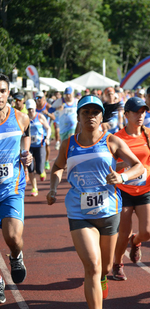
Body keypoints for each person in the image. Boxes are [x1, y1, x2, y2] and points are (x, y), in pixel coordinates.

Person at [46, 95, 143, 307]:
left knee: (105, 267)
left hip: (108, 211)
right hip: (80, 212)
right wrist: (53, 188)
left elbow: (138, 166)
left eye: (95, 112)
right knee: (92, 265)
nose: (90, 116)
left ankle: (103, 278)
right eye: (86, 112)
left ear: (101, 117)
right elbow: (57, 167)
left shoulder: (111, 141)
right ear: (78, 117)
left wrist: (122, 177)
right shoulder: (68, 144)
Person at [112, 97, 150, 280]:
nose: (140, 115)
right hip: (124, 190)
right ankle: (117, 264)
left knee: (147, 232)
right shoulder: (116, 138)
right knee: (122, 234)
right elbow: (109, 166)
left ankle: (136, 241)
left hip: (145, 189)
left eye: (143, 111)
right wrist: (124, 166)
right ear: (126, 115)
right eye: (136, 112)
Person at [0, 73, 33, 303]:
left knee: (13, 236)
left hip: (11, 187)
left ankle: (16, 255)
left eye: (2, 90)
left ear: (8, 93)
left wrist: (26, 154)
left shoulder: (20, 118)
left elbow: (27, 134)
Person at [25, 99, 51, 196]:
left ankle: (42, 170)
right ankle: (34, 187)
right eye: (28, 109)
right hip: (29, 146)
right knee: (30, 168)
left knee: (39, 169)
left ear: (35, 108)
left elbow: (48, 128)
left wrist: (47, 138)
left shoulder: (40, 116)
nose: (30, 111)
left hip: (40, 145)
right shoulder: (25, 118)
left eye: (32, 109)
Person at [35, 91, 55, 170]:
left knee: (46, 145)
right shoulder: (35, 106)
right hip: (38, 130)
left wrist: (47, 113)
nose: (38, 99)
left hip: (46, 130)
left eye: (40, 97)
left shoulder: (47, 106)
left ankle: (46, 160)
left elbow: (53, 117)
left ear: (43, 98)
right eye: (37, 98)